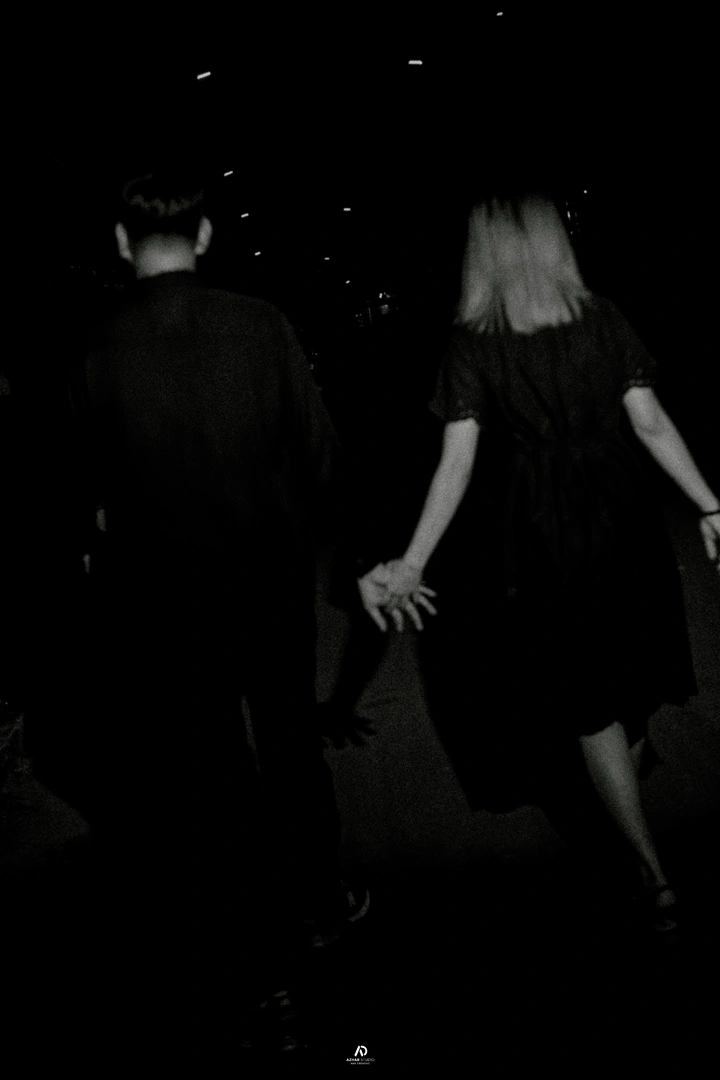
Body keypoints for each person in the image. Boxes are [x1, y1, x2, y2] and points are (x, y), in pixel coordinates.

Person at [19, 169, 356, 1013]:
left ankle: (262, 967)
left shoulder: (92, 347)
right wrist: (363, 559)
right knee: (290, 741)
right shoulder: (262, 324)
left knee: (212, 767)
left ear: (120, 242)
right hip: (268, 577)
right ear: (205, 236)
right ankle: (319, 903)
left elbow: (70, 494)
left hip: (163, 596)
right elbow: (319, 454)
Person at [356, 192, 720, 935]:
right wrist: (711, 505)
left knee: (593, 698)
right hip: (621, 514)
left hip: (539, 529)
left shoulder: (474, 341)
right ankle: (640, 843)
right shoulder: (602, 317)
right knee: (626, 675)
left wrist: (413, 560)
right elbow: (650, 422)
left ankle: (649, 871)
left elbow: (456, 465)